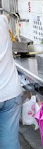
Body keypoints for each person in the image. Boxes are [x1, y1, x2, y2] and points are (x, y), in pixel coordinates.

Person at [0, 15, 22, 149]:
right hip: (10, 92)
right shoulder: (2, 21)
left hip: (10, 92)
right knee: (9, 141)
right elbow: (7, 17)